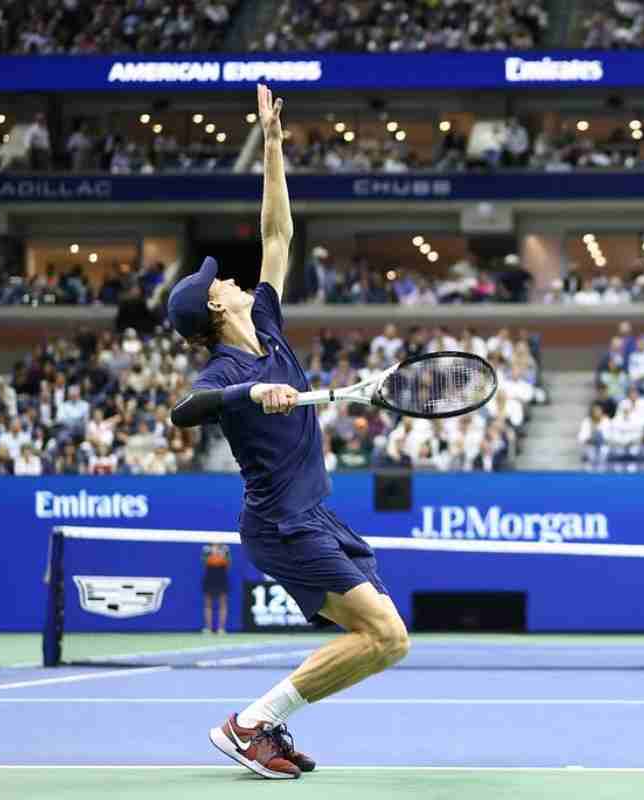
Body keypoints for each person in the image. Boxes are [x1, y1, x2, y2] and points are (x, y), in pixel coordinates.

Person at [169, 85, 408, 781]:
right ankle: (248, 724)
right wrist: (250, 391)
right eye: (223, 281)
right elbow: (185, 411)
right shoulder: (220, 372)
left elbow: (278, 234)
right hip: (281, 524)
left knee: (383, 641)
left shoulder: (267, 325)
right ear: (216, 307)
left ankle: (262, 723)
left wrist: (272, 147)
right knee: (388, 634)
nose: (236, 278)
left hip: (317, 514)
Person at [201, 542, 232, 635]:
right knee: (207, 604)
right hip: (210, 577)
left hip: (221, 577)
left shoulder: (225, 548)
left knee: (223, 604)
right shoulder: (206, 548)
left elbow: (229, 563)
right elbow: (204, 562)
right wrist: (212, 553)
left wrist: (221, 554)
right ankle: (208, 628)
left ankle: (221, 629)